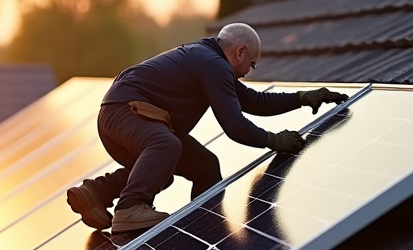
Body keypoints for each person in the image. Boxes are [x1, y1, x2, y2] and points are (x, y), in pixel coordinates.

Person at [66, 23, 348, 233]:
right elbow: (235, 127)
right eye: (250, 63)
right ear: (240, 51)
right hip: (126, 113)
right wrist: (275, 140)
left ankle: (98, 193)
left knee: (202, 167)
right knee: (166, 146)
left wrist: (303, 98)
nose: (248, 71)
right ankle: (130, 209)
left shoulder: (208, 60)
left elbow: (254, 101)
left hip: (122, 116)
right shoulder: (213, 64)